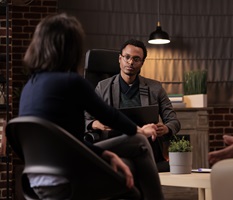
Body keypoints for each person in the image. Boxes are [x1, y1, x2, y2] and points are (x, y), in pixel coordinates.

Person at [19, 13, 164, 200]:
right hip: (68, 180)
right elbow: (109, 115)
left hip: (35, 183)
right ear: (72, 48)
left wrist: (105, 154)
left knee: (128, 164)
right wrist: (140, 130)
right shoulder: (71, 82)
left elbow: (68, 142)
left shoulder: (29, 87)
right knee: (139, 143)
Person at [85, 39, 181, 172]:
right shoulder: (103, 87)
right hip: (117, 143)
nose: (130, 62)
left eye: (136, 59)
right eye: (127, 57)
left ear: (142, 63)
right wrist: (95, 124)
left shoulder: (155, 88)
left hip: (147, 145)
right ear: (120, 58)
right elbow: (85, 118)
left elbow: (174, 121)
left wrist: (166, 128)